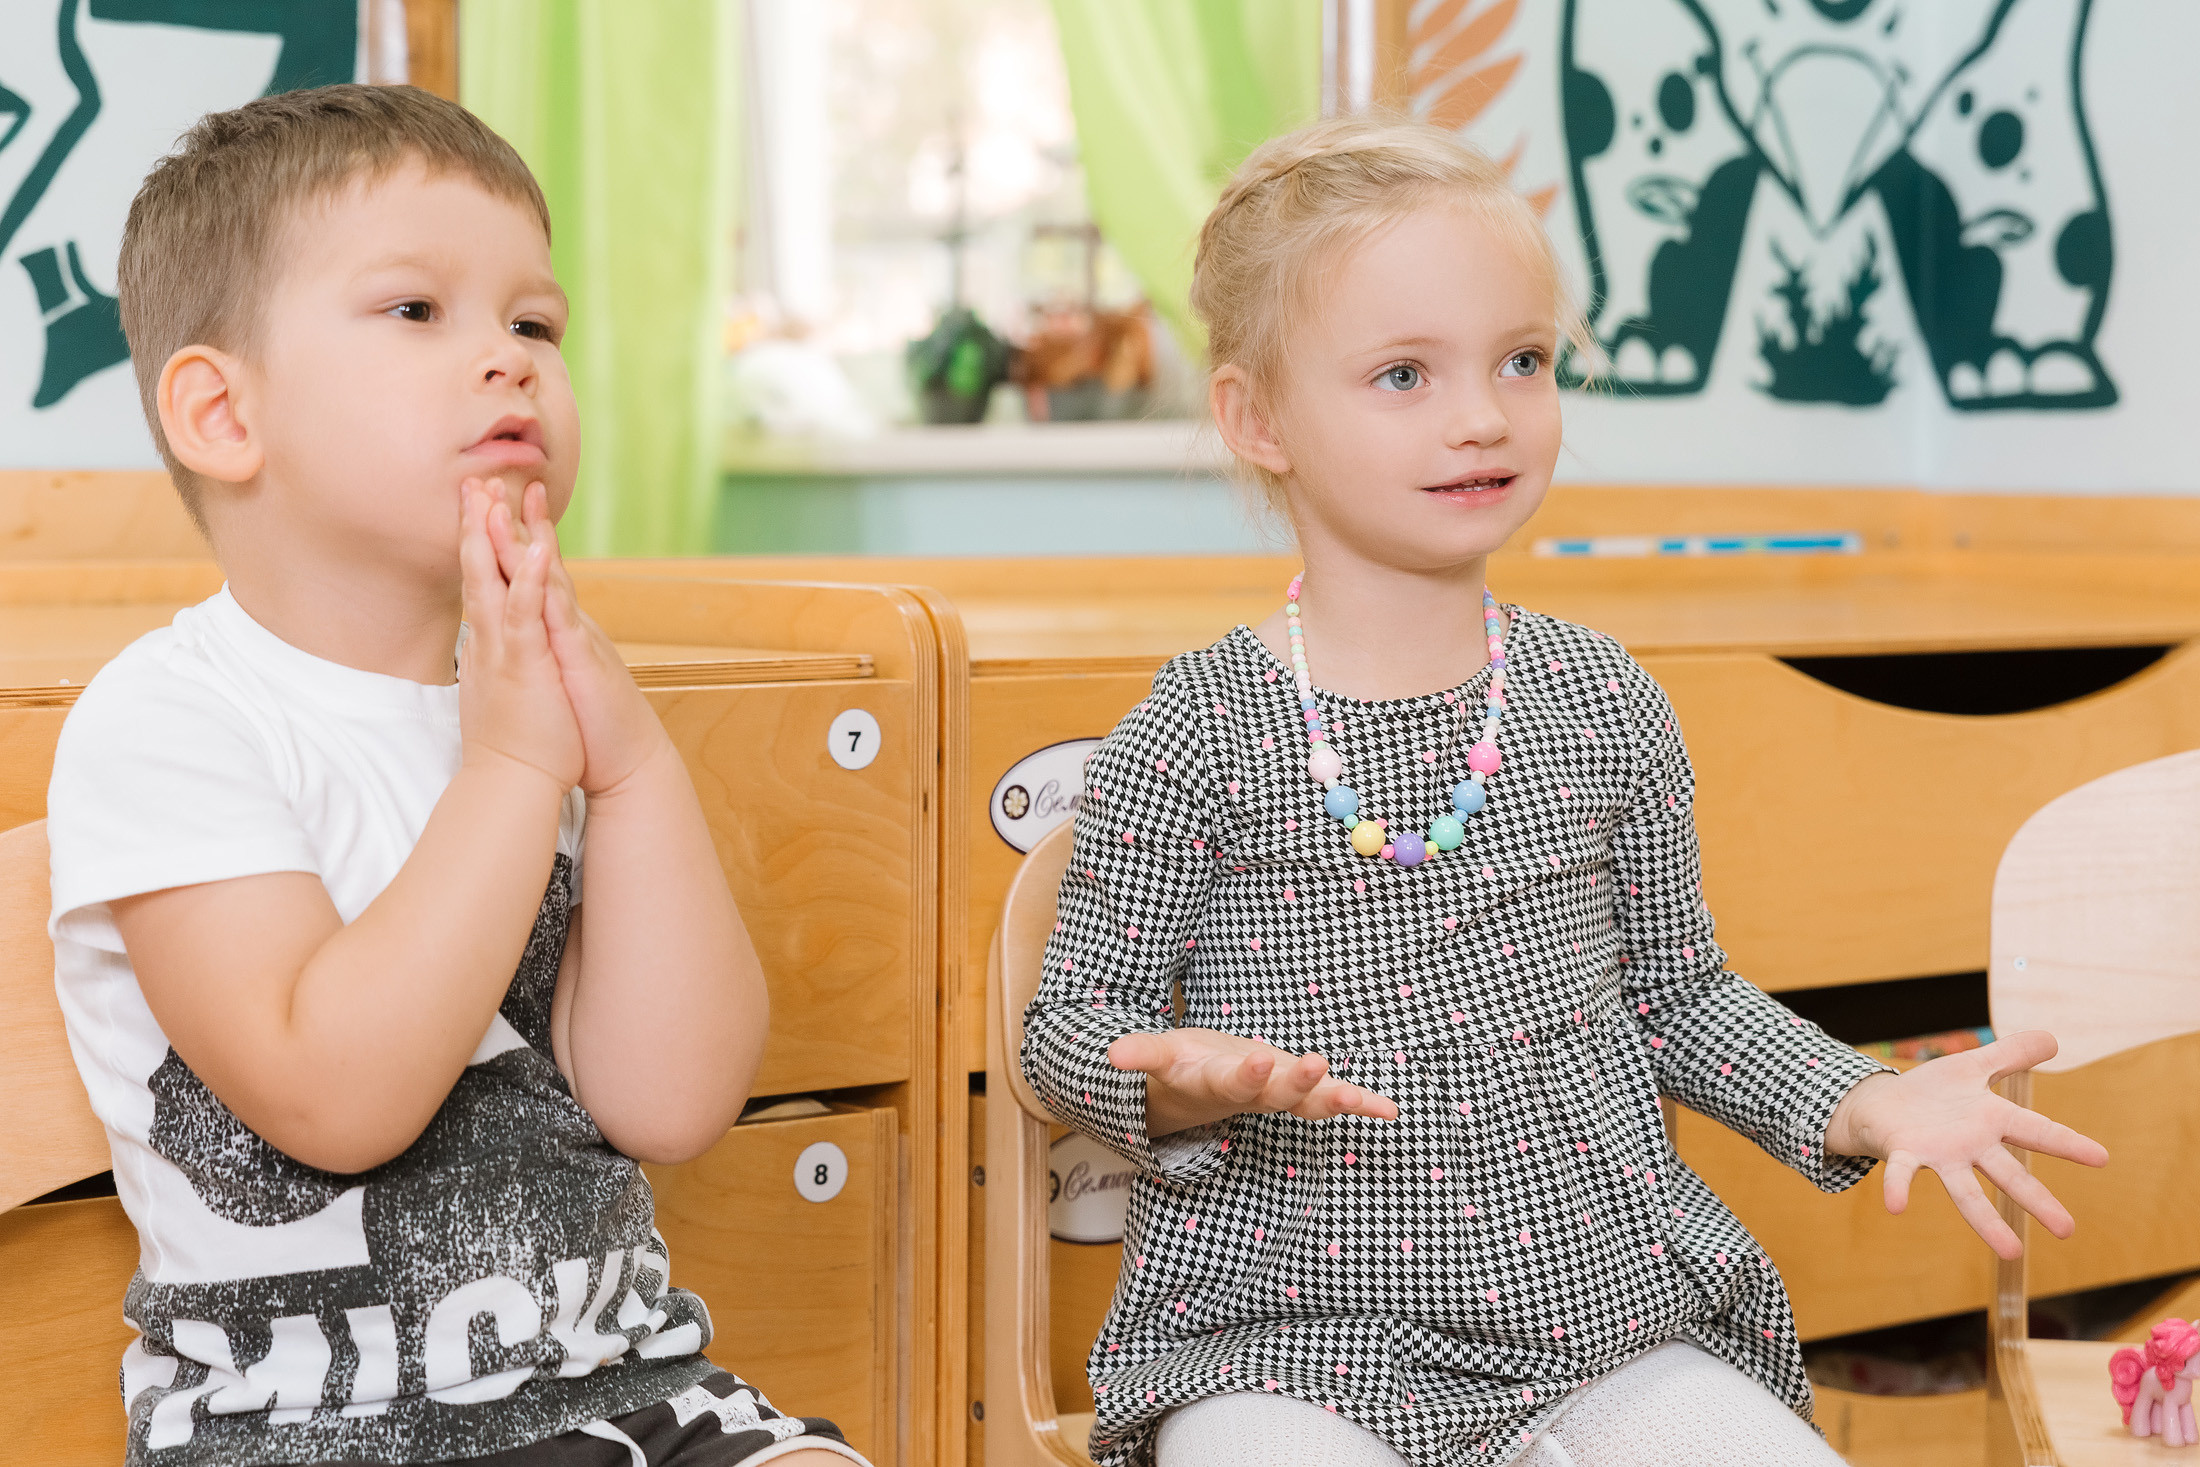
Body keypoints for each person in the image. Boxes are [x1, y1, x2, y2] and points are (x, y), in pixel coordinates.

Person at [1018, 115, 2109, 1467]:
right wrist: (1176, 1080)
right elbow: (1072, 1025)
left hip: (1602, 1320)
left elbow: (1679, 999)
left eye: (1522, 362)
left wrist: (1863, 1096)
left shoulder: (1602, 700)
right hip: (1287, 1344)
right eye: (1404, 374)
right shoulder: (1197, 727)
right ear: (1256, 418)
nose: (1484, 416)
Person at [46, 84, 862, 1467]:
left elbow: (669, 1101)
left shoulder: (546, 706)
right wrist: (519, 759)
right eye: (417, 312)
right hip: (311, 1432)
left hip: (636, 1400)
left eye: (533, 322)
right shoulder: (170, 720)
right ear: (223, 413)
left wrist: (638, 767)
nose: (508, 360)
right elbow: (337, 1101)